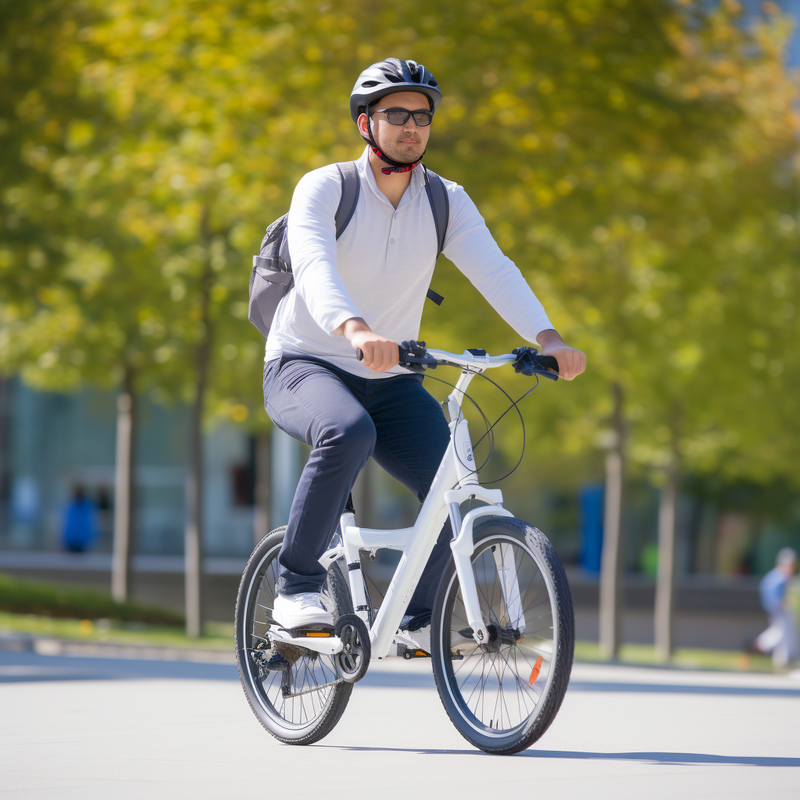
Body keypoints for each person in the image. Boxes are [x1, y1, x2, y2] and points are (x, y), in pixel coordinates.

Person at [263, 58, 586, 650]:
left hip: (390, 378)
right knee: (346, 430)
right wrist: (355, 328)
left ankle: (416, 619)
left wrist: (549, 338)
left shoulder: (444, 200)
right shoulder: (327, 186)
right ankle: (296, 587)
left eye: (422, 116)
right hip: (304, 363)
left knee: (454, 481)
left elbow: (495, 269)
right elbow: (312, 265)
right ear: (365, 123)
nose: (412, 127)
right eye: (396, 115)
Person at [750, 547, 798, 667]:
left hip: (780, 609)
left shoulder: (779, 577)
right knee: (780, 633)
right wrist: (781, 603)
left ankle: (782, 659)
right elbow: (772, 597)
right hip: (778, 610)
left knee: (785, 634)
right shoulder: (777, 578)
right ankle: (758, 646)